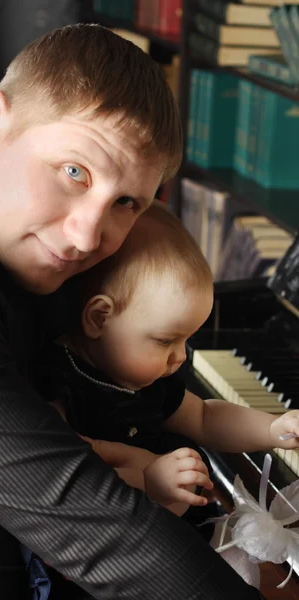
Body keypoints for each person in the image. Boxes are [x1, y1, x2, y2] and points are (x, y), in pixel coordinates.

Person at [0, 23, 267, 600]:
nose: (87, 235)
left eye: (126, 203)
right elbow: (100, 528)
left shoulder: (23, 248)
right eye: (74, 173)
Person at [33, 203, 299, 588]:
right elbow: (69, 480)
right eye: (166, 340)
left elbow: (205, 418)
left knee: (238, 568)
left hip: (174, 532)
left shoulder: (147, 377)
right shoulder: (58, 385)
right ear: (99, 318)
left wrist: (273, 429)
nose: (180, 355)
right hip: (111, 557)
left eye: (187, 340)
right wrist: (147, 480)